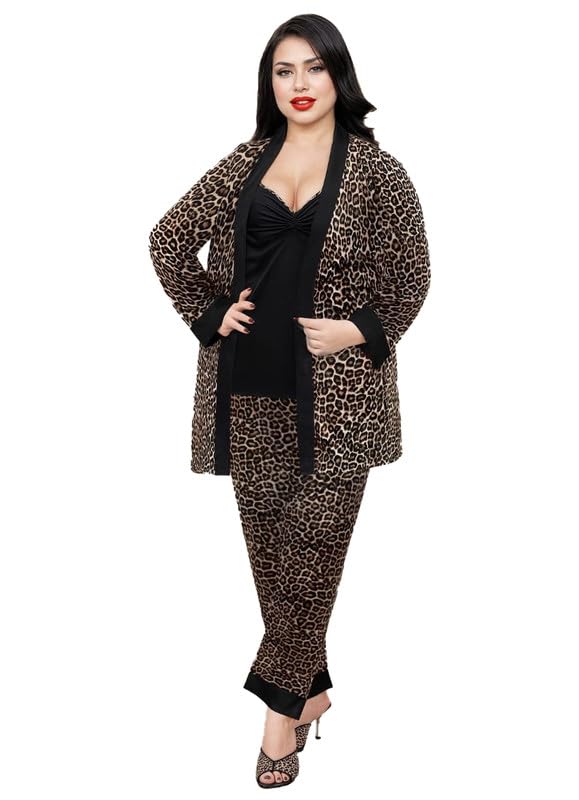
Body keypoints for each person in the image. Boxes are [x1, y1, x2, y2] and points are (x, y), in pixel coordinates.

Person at [148, 13, 431, 788]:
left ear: (338, 76)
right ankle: (311, 692)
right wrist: (210, 311)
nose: (299, 84)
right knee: (279, 571)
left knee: (312, 563)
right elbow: (167, 239)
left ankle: (279, 719)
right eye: (283, 71)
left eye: (313, 68)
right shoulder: (245, 162)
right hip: (247, 394)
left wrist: (356, 331)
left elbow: (411, 277)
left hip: (341, 407)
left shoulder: (378, 173)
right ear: (268, 83)